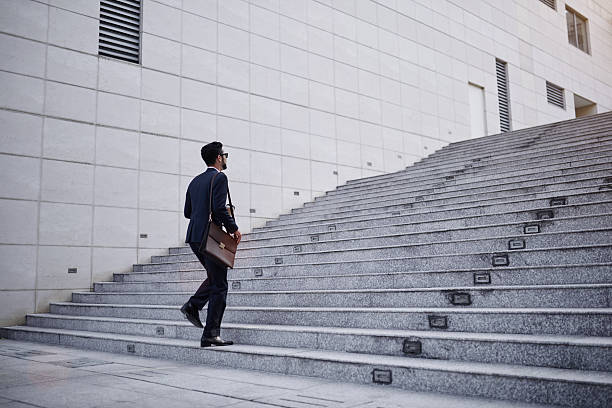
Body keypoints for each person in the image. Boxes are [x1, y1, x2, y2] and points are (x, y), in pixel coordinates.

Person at [181, 141, 242, 347]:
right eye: (225, 155)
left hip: (194, 236)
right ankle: (210, 332)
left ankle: (194, 305)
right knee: (220, 285)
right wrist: (233, 228)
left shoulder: (195, 181)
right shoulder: (220, 177)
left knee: (215, 278)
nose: (225, 158)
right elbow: (218, 209)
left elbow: (188, 212)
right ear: (218, 158)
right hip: (210, 237)